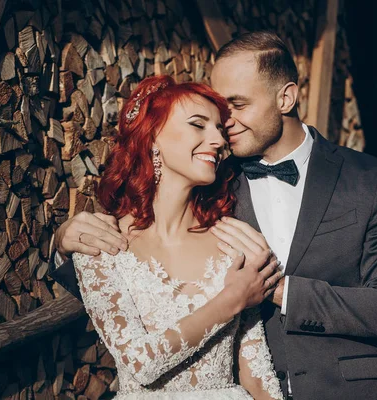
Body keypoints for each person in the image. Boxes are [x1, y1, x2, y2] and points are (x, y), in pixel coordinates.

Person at [50, 32, 377, 400]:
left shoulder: (368, 179)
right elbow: (127, 279)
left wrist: (276, 289)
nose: (225, 125)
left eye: (237, 106)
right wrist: (66, 240)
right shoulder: (208, 180)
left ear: (285, 97)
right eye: (221, 111)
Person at [68, 75, 284, 399]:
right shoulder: (101, 246)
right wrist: (232, 300)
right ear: (153, 136)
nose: (218, 140)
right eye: (199, 125)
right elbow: (139, 363)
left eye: (219, 129)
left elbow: (257, 375)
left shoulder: (231, 243)